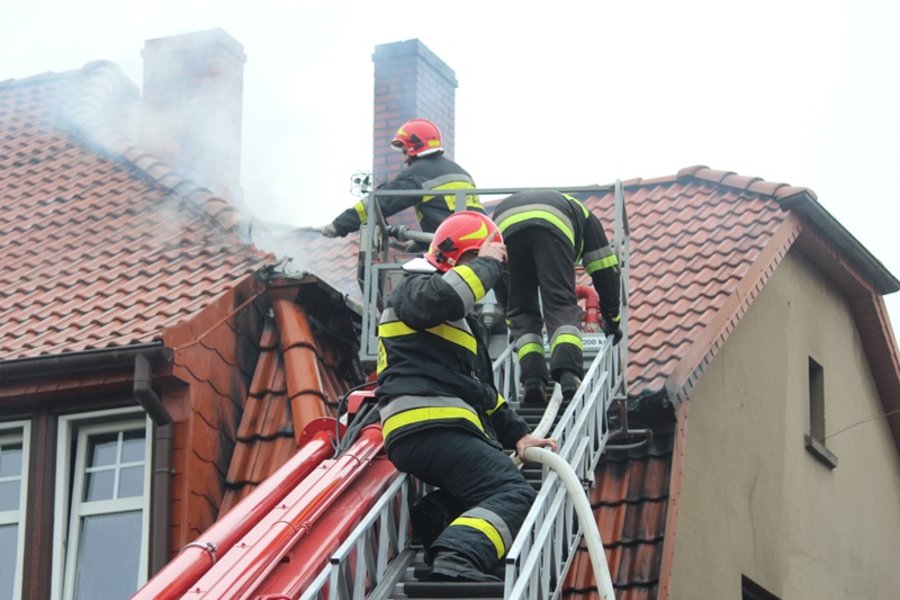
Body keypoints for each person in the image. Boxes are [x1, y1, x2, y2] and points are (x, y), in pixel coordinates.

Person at [375, 210, 557, 582]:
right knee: (513, 493)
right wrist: (488, 262)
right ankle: (456, 556)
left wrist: (519, 435)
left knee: (482, 490)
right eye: (478, 261)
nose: (486, 278)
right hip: (431, 425)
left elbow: (478, 392)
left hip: (433, 428)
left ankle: (439, 514)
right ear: (455, 256)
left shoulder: (457, 323)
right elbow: (446, 297)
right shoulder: (416, 288)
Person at [492, 190, 622, 404]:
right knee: (560, 302)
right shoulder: (587, 219)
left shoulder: (571, 210)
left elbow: (499, 280)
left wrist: (512, 319)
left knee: (521, 310)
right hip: (552, 224)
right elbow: (606, 271)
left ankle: (533, 381)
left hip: (503, 224)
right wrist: (612, 319)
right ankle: (569, 374)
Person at [318, 118, 484, 238]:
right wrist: (421, 242)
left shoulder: (418, 173)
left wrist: (339, 225)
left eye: (404, 150)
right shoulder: (461, 172)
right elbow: (446, 211)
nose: (405, 157)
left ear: (414, 147)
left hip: (453, 245)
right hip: (476, 242)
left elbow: (380, 202)